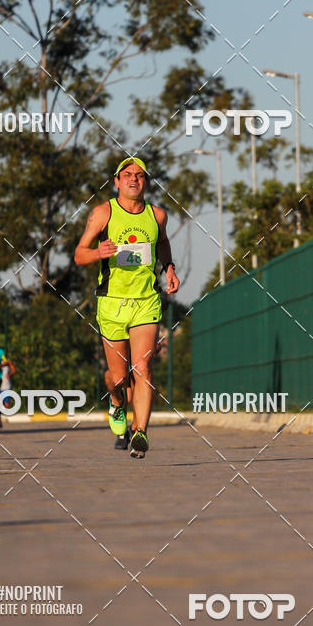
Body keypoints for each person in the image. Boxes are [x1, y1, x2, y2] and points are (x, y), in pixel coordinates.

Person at [75, 156, 179, 458]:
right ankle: (117, 401)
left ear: (145, 182)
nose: (134, 179)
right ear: (117, 181)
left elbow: (162, 243)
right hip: (111, 304)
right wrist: (98, 253)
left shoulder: (157, 215)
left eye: (140, 175)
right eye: (128, 175)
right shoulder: (103, 213)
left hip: (146, 301)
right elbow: (79, 254)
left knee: (142, 367)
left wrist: (169, 268)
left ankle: (140, 432)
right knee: (118, 377)